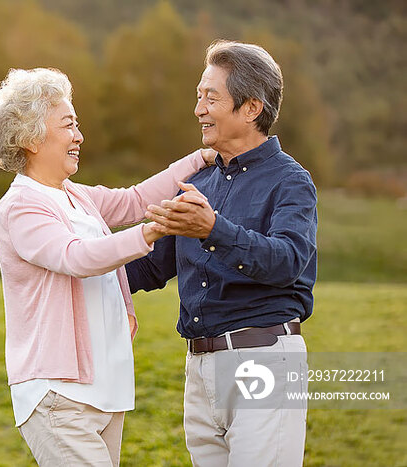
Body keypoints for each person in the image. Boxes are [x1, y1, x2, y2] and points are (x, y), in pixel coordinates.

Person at [0, 67, 214, 466]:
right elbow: (75, 257)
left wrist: (199, 158)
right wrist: (151, 233)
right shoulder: (22, 206)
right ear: (32, 137)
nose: (79, 136)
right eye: (68, 125)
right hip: (59, 394)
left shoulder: (74, 196)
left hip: (104, 389)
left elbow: (135, 198)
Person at [126, 40, 317, 467]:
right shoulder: (199, 182)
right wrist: (72, 261)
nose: (199, 109)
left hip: (263, 361)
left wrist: (213, 229)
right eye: (198, 96)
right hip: (199, 369)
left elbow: (287, 260)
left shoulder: (292, 181)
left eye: (211, 98)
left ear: (251, 108)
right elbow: (152, 266)